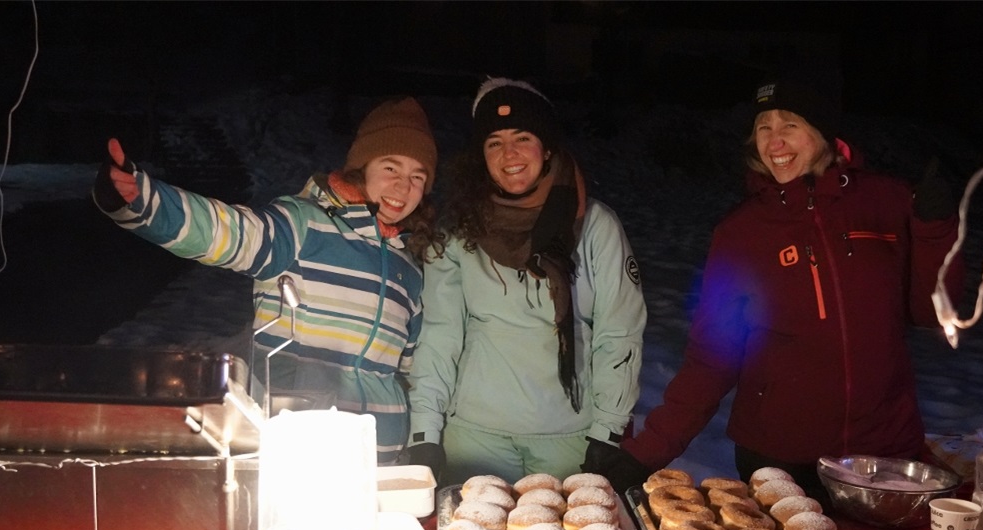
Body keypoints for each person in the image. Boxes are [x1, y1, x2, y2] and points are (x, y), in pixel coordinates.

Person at [594, 75, 963, 500]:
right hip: (781, 459)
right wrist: (645, 453)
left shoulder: (887, 202)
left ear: (824, 133)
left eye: (790, 125)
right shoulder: (742, 232)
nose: (775, 143)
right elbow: (711, 359)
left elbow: (935, 312)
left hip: (883, 452)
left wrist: (935, 231)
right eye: (763, 129)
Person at [93, 97, 441, 465]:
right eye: (391, 168)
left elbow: (411, 371)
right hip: (297, 452)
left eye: (417, 177)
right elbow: (233, 233)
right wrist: (148, 203)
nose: (403, 187)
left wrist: (415, 444)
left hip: (378, 460)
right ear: (363, 166)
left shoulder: (410, 269)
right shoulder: (304, 225)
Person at [403, 77, 647, 485]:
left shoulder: (594, 226)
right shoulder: (462, 228)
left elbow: (619, 331)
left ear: (546, 146)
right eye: (494, 142)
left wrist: (609, 429)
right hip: (475, 434)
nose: (509, 154)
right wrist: (426, 430)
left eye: (522, 138)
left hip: (568, 435)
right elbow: (440, 334)